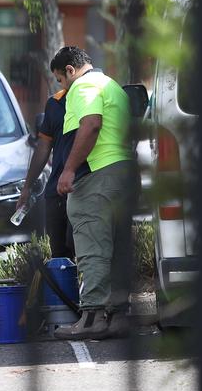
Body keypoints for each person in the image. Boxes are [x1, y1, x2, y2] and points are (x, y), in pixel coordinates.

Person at [50, 46, 139, 341]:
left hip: (97, 175)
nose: (62, 87)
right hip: (124, 173)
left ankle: (91, 318)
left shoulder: (83, 86)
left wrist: (68, 169)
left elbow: (91, 124)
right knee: (118, 247)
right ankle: (118, 315)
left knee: (92, 246)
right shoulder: (112, 85)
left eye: (60, 80)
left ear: (70, 71)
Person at [16, 88, 77, 259]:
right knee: (60, 255)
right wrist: (27, 187)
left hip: (86, 188)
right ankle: (63, 285)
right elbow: (43, 146)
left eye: (61, 78)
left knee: (84, 250)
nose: (62, 84)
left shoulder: (100, 96)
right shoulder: (56, 102)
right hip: (57, 192)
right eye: (58, 79)